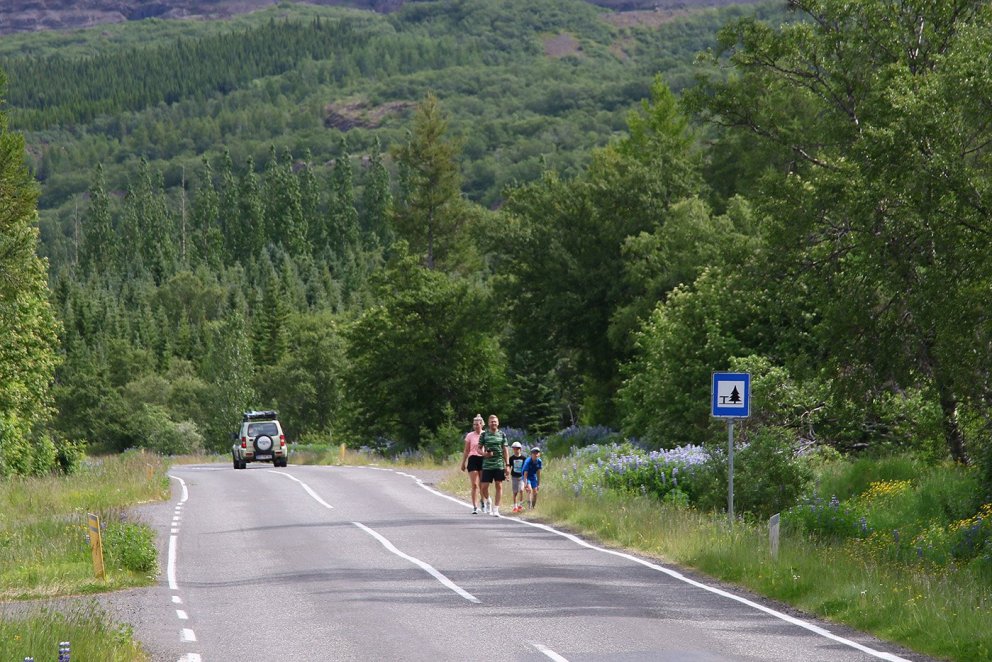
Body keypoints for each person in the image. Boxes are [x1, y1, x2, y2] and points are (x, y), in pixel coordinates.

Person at [477, 414, 509, 517]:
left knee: (499, 485)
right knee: (483, 487)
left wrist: (507, 465)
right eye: (491, 422)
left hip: (499, 463)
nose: (493, 423)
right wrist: (484, 454)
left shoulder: (502, 434)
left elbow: (505, 450)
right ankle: (488, 500)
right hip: (487, 464)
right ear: (488, 423)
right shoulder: (484, 434)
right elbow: (478, 448)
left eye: (495, 421)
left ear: (498, 423)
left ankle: (496, 509)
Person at [459, 414, 486, 514]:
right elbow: (466, 450)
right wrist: (463, 462)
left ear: (481, 424)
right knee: (474, 484)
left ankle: (483, 501)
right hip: (472, 458)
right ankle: (474, 506)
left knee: (482, 483)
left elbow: (488, 448)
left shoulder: (485, 434)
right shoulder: (470, 435)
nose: (476, 426)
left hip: (483, 458)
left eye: (477, 424)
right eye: (474, 424)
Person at [507, 441, 526, 513]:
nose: (516, 450)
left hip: (521, 476)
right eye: (514, 449)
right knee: (515, 492)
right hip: (514, 476)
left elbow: (525, 468)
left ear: (520, 449)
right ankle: (515, 507)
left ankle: (520, 505)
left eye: (517, 449)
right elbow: (509, 467)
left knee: (521, 490)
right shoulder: (511, 458)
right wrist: (507, 475)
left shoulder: (523, 458)